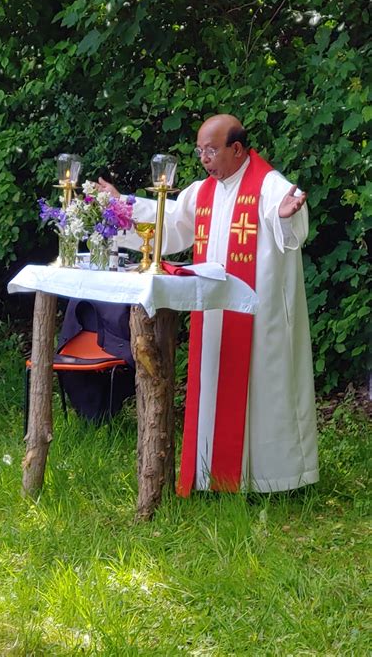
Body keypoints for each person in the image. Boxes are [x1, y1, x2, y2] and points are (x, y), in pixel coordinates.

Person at [97, 114, 319, 495]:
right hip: (215, 316)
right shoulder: (203, 192)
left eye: (211, 150)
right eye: (200, 150)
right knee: (216, 381)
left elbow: (286, 208)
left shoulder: (267, 184)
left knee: (263, 389)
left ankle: (273, 479)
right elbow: (166, 222)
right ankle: (213, 477)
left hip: (258, 315)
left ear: (237, 148)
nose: (203, 158)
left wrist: (286, 216)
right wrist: (124, 206)